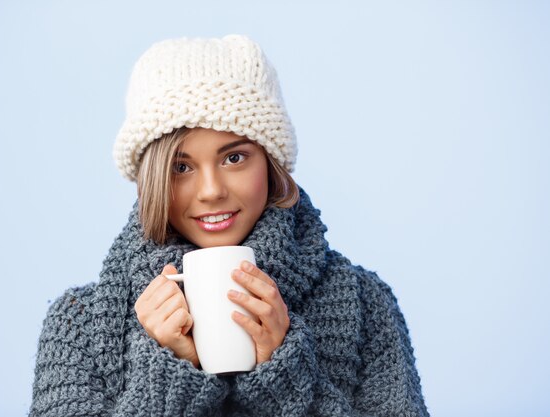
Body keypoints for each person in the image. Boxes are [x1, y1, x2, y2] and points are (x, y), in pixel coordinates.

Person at [28, 35, 430, 417]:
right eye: (180, 167)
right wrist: (169, 375)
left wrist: (285, 375)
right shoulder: (79, 325)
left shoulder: (364, 304)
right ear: (149, 180)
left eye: (234, 158)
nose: (210, 191)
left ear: (270, 164)